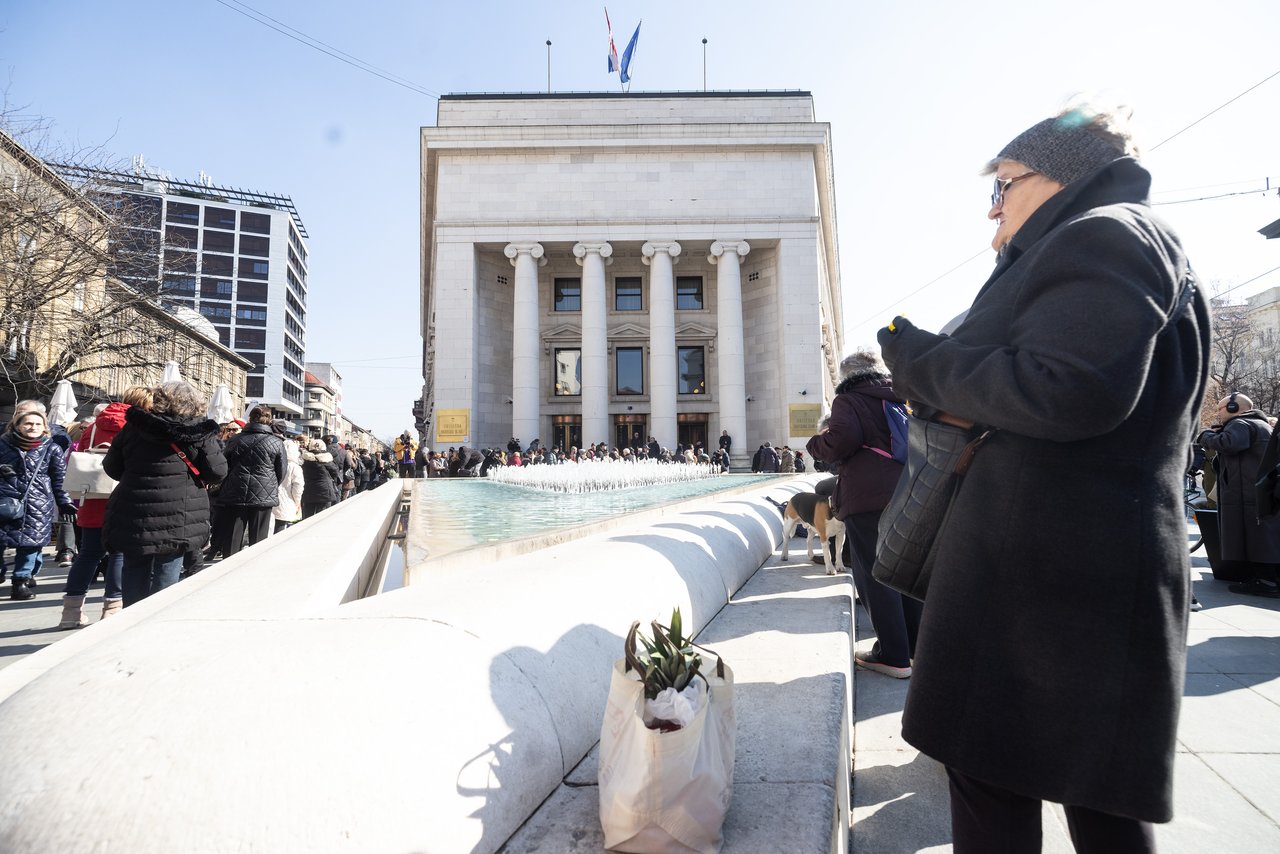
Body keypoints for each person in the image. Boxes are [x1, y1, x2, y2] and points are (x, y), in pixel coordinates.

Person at [875, 101, 1210, 849]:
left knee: (1005, 783)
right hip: (1069, 581)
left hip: (1047, 588)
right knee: (1090, 795)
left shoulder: (1106, 235)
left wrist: (919, 360)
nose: (993, 207)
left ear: (1060, 177)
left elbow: (1066, 389)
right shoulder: (1103, 238)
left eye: (1004, 184)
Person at [808, 348, 920, 679]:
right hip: (908, 492)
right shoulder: (899, 395)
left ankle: (894, 656)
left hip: (869, 497)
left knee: (875, 575)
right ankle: (915, 649)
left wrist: (816, 443)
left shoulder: (850, 399)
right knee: (906, 572)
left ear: (848, 375)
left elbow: (842, 441)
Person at [103, 382, 227, 606]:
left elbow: (112, 468)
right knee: (168, 566)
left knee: (134, 565)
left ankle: (130, 622)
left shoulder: (134, 426)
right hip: (179, 511)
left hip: (134, 508)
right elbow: (217, 471)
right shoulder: (200, 431)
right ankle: (154, 622)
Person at [58, 387, 152, 626]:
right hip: (123, 496)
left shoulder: (93, 426)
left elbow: (77, 453)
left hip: (92, 496)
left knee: (88, 554)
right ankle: (111, 608)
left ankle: (70, 611)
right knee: (119, 553)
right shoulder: (138, 427)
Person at [1197, 393, 1280, 596]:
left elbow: (1230, 444)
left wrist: (1205, 436)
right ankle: (1264, 579)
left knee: (1256, 538)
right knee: (1262, 537)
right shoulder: (1259, 424)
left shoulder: (1240, 423)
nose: (1219, 412)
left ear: (1235, 408)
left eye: (1222, 407)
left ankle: (1266, 583)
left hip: (1246, 492)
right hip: (1255, 491)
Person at [0, 408, 75, 600]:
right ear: (17, 425)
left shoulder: (51, 448)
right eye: (28, 423)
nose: (33, 427)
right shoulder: (3, 444)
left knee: (30, 545)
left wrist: (65, 501)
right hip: (5, 499)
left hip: (38, 502)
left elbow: (59, 478)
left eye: (37, 424)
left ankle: (21, 582)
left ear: (44, 427)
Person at [211, 405, 286, 557]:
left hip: (235, 493)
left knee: (232, 540)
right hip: (263, 495)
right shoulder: (276, 442)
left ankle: (228, 573)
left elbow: (224, 466)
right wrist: (269, 485)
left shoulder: (235, 440)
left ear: (250, 419)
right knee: (258, 542)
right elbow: (281, 471)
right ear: (269, 421)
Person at [271, 421, 304, 535]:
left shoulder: (274, 462)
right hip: (288, 502)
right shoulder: (295, 467)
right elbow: (298, 488)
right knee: (282, 529)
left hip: (272, 500)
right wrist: (298, 502)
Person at [300, 438, 341, 518]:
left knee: (308, 516)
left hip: (308, 490)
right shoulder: (327, 459)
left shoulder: (305, 460)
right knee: (323, 518)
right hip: (325, 491)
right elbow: (335, 473)